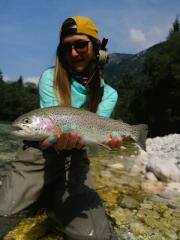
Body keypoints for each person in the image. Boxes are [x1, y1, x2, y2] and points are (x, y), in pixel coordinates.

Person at [0, 16, 124, 239]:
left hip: (76, 158)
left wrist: (110, 143)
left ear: (96, 48)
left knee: (94, 236)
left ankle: (52, 197)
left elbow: (98, 133)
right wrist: (46, 138)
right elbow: (47, 137)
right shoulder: (50, 77)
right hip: (39, 153)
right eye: (67, 47)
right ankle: (47, 195)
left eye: (80, 45)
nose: (74, 52)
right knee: (4, 213)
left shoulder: (109, 94)